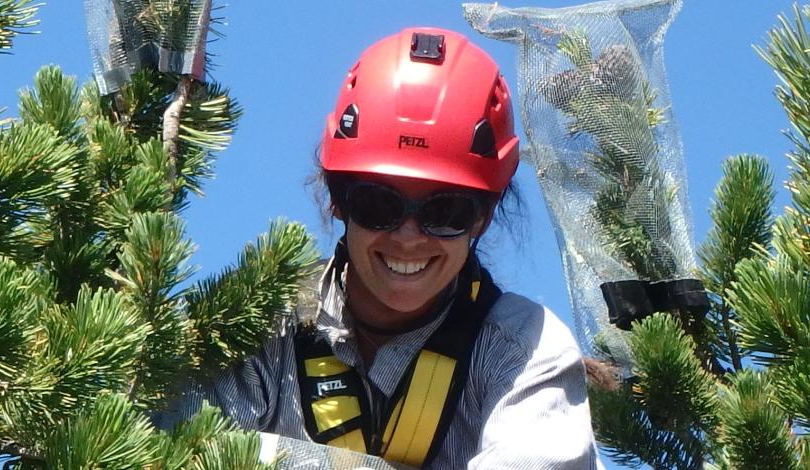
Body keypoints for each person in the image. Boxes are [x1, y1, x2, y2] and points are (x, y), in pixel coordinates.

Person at [204, 27, 599, 469]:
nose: (409, 236)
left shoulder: (527, 348)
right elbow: (181, 452)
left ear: (482, 219)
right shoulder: (256, 324)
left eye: (446, 211)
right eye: (379, 204)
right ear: (339, 200)